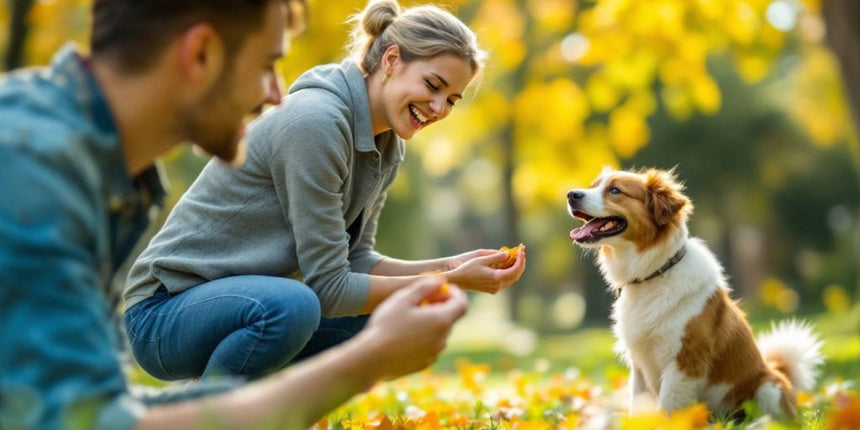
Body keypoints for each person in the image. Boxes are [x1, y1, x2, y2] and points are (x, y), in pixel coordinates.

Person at [0, 0, 468, 429]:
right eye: (267, 65)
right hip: (175, 310)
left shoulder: (87, 164)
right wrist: (368, 359)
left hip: (219, 306)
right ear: (201, 53)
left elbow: (100, 408)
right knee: (300, 304)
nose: (277, 95)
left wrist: (448, 275)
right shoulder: (35, 174)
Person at [123, 0, 526, 382]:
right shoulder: (316, 123)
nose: (438, 108)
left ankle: (254, 408)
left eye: (451, 99)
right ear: (391, 61)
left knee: (380, 313)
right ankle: (208, 415)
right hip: (164, 312)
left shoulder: (386, 146)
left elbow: (358, 261)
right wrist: (452, 281)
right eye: (433, 85)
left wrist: (450, 265)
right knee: (294, 307)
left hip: (242, 304)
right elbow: (330, 290)